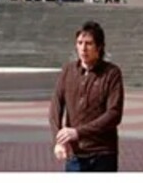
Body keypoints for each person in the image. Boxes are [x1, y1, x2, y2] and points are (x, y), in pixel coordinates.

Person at [48, 20, 124, 172]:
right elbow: (56, 106)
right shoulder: (68, 71)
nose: (83, 48)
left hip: (103, 153)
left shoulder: (111, 73)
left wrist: (78, 132)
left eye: (89, 43)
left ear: (99, 46)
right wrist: (58, 139)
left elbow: (114, 114)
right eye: (80, 42)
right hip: (75, 156)